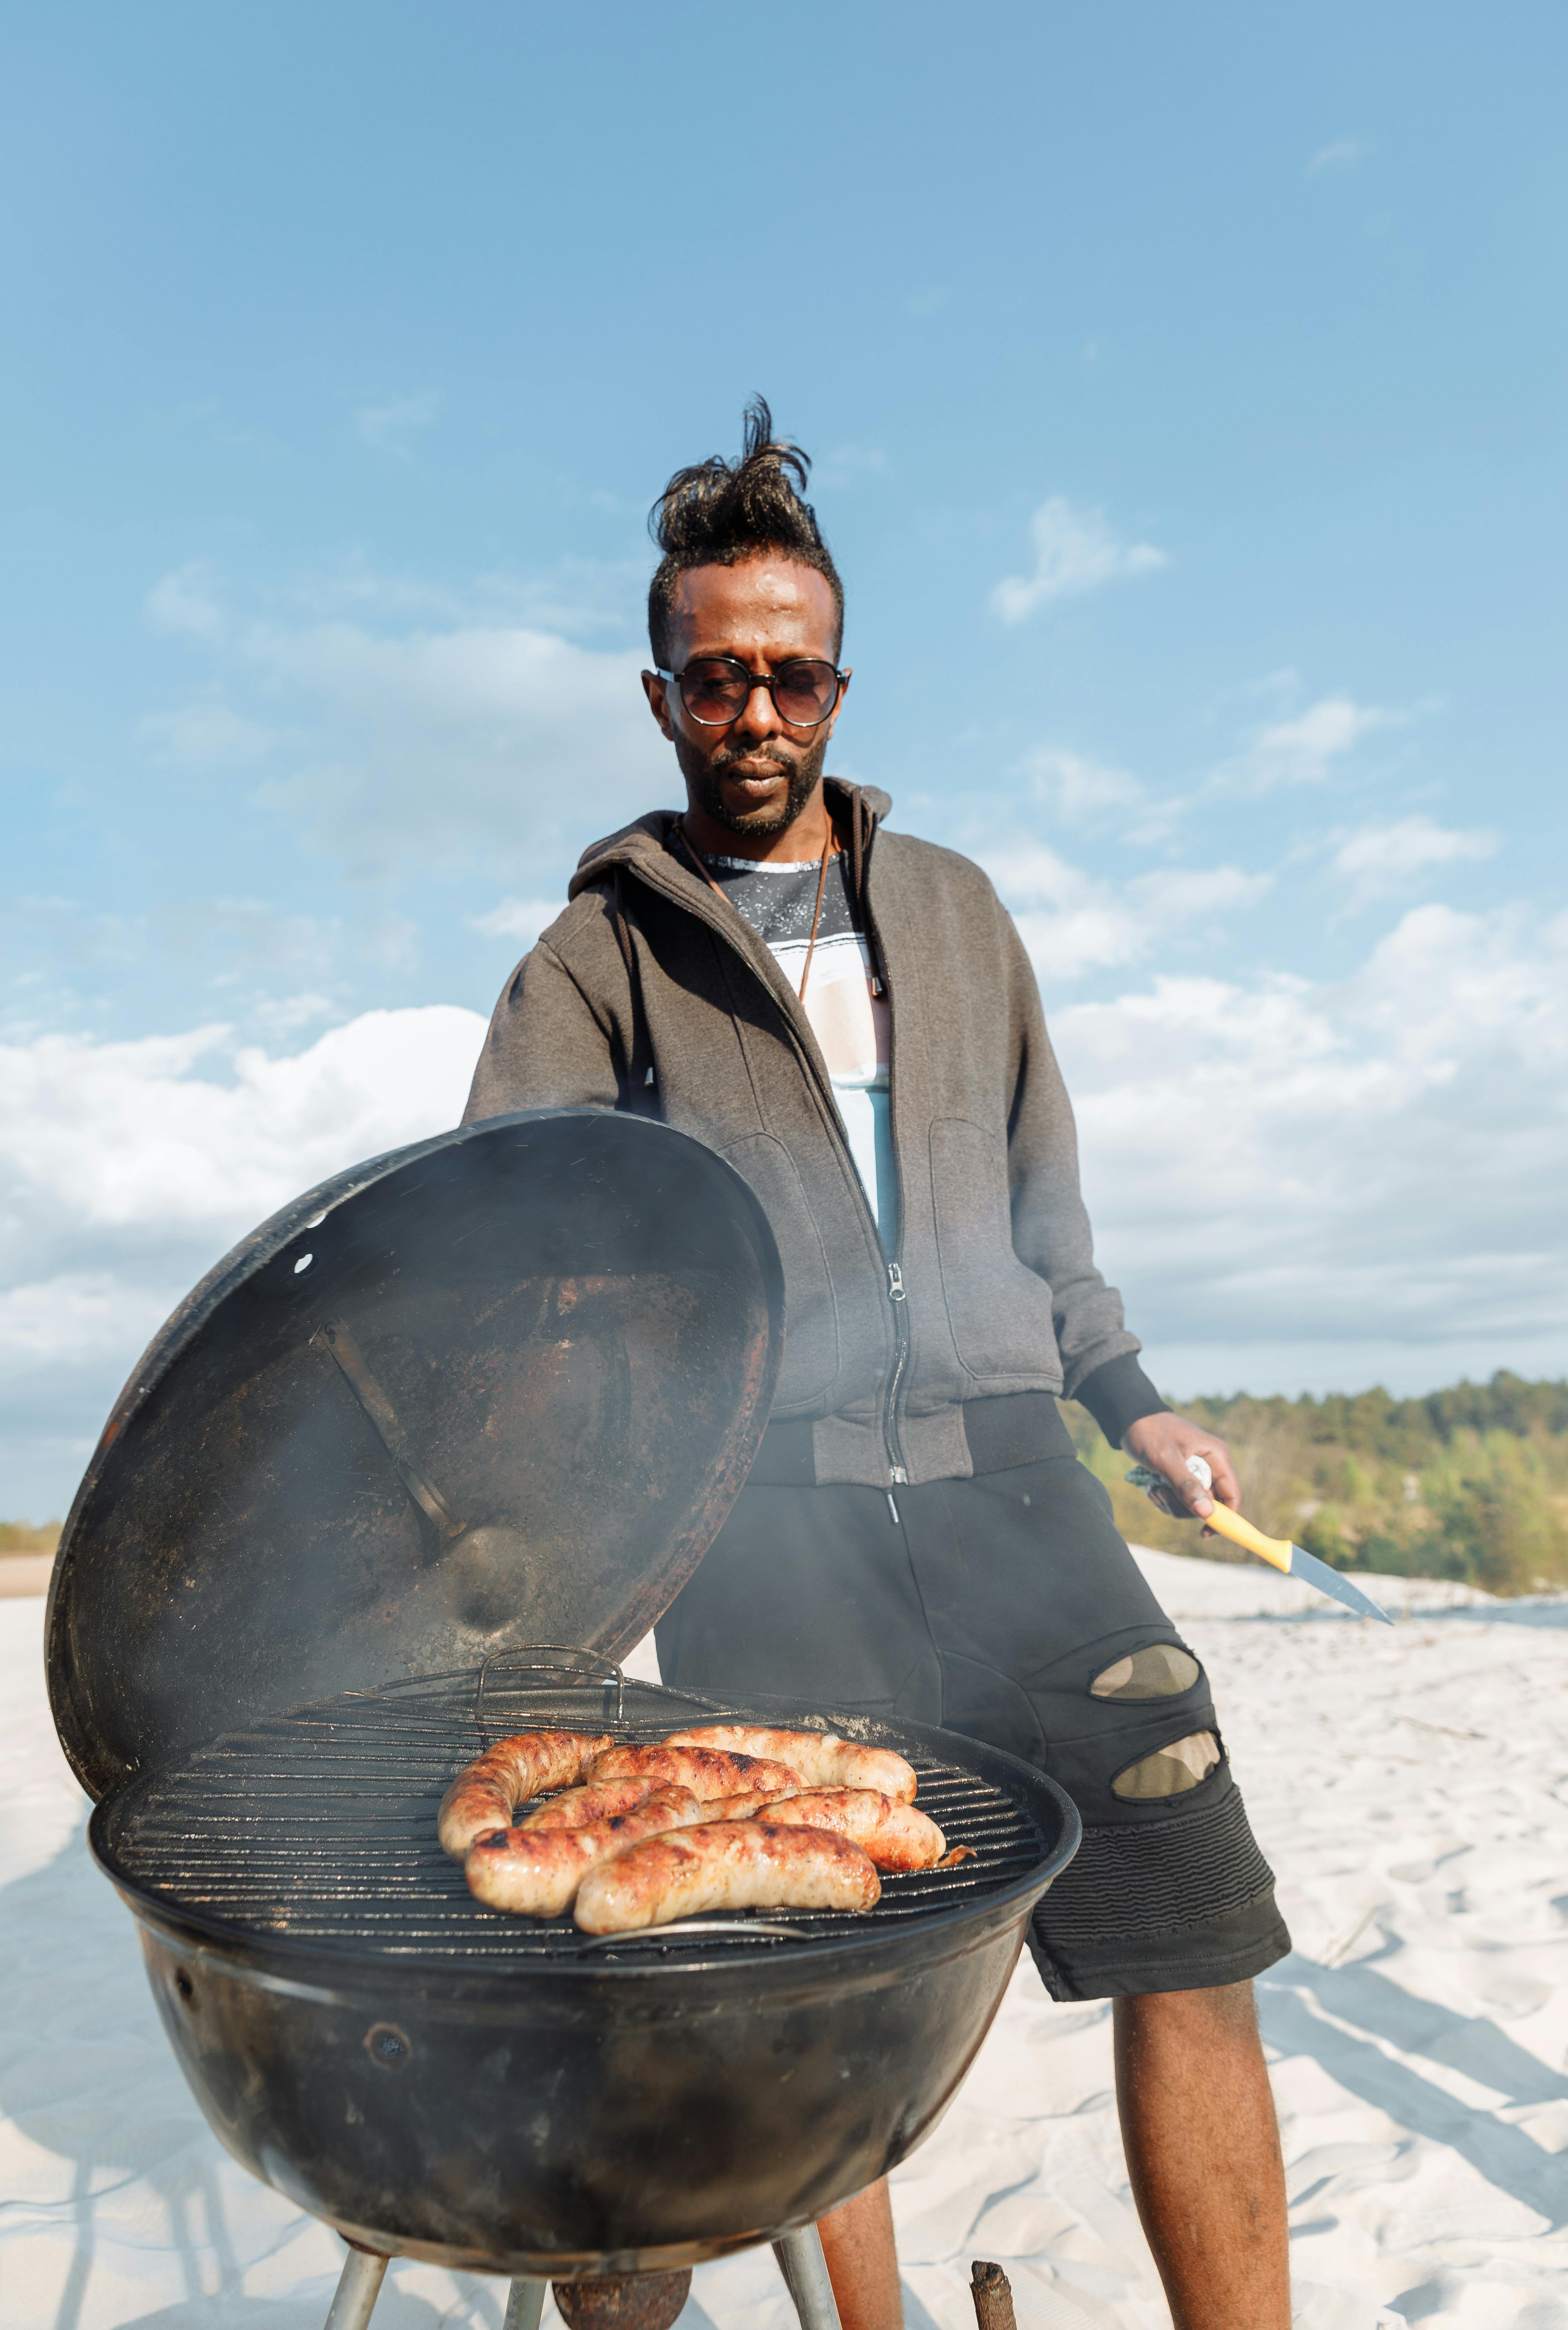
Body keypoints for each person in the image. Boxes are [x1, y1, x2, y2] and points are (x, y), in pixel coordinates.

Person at [463, 401, 1292, 2330]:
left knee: (1196, 1941)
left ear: (843, 681)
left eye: (796, 674)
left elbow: (1045, 1208)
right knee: (817, 1996)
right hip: (773, 1531)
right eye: (720, 677)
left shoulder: (957, 912)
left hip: (1023, 1496)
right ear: (661, 690)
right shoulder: (595, 960)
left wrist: (1129, 1395)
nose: (760, 714)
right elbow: (520, 1254)